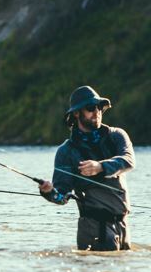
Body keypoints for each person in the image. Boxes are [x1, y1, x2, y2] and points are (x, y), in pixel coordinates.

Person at [38, 85, 135, 251]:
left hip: (123, 225)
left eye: (99, 107)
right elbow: (61, 196)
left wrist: (100, 167)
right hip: (93, 227)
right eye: (90, 108)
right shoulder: (66, 151)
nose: (96, 111)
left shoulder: (117, 135)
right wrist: (48, 192)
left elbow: (128, 161)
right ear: (76, 113)